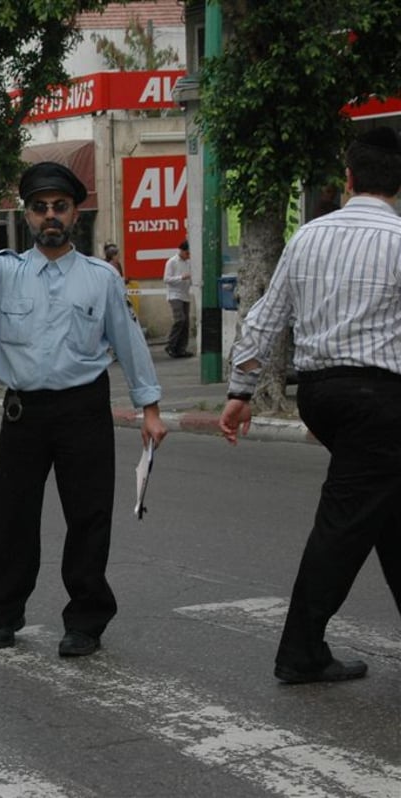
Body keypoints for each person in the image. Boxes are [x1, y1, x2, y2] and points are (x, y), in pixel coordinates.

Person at [0, 161, 168, 658]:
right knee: (13, 516)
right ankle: (3, 616)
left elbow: (129, 343)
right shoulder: (3, 272)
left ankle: (85, 621)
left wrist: (149, 409)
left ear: (75, 214)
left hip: (83, 411)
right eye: (41, 208)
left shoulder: (100, 279)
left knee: (88, 517)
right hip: (24, 413)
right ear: (27, 215)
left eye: (60, 208)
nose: (51, 216)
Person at [219, 126, 401, 685]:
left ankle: (303, 646)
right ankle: (298, 650)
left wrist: (239, 392)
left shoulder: (308, 237)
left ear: (348, 179)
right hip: (381, 399)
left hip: (320, 395)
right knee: (346, 523)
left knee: (387, 513)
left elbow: (265, 319)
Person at [162, 240, 193, 358]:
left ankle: (181, 349)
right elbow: (166, 279)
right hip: (174, 295)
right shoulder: (172, 262)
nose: (188, 256)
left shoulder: (188, 262)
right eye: (187, 253)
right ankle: (171, 344)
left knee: (186, 323)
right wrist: (181, 277)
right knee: (180, 319)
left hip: (185, 294)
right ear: (181, 251)